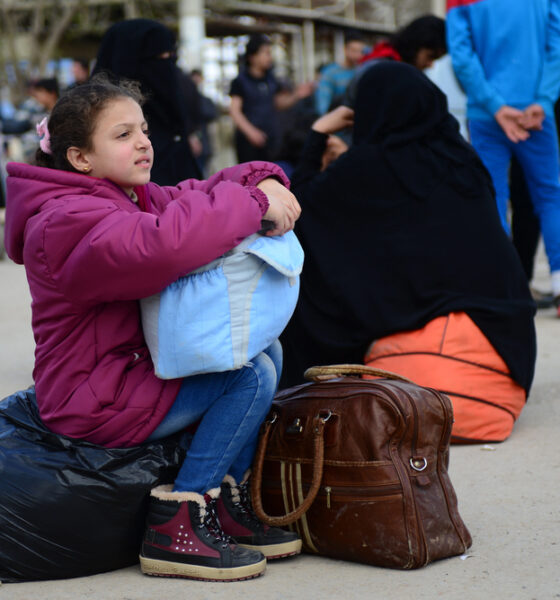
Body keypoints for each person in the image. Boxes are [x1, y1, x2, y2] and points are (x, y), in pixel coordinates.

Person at [4, 75, 302, 581]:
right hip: (92, 399)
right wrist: (253, 204)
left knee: (266, 350)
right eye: (122, 135)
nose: (143, 141)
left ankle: (224, 502)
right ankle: (178, 523)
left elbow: (194, 193)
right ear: (80, 158)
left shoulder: (122, 196)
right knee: (246, 375)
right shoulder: (66, 221)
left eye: (142, 129)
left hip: (123, 377)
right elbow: (164, 245)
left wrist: (262, 178)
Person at [280, 62, 536, 442]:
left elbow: (296, 213)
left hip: (422, 360)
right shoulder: (463, 161)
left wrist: (317, 134)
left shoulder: (365, 168)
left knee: (302, 273)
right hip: (508, 346)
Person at [447, 0, 560, 316]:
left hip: (487, 114)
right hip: (536, 113)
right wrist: (544, 99)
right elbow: (556, 46)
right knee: (550, 196)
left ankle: (500, 288)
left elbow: (462, 55)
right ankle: (559, 282)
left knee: (492, 196)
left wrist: (494, 105)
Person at [93, 18, 202, 185]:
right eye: (158, 57)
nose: (167, 64)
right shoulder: (98, 110)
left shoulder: (171, 99)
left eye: (171, 56)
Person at [229, 34, 314, 163]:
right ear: (253, 57)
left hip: (271, 139)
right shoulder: (240, 81)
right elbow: (235, 111)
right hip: (248, 143)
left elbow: (278, 103)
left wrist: (297, 95)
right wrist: (251, 132)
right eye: (266, 53)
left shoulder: (271, 79)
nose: (270, 57)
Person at [344, 14, 446, 109]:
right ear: (415, 46)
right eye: (430, 57)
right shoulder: (381, 71)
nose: (431, 64)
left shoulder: (395, 69)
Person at [314, 33, 365, 116]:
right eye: (354, 51)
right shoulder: (330, 72)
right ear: (345, 49)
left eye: (361, 51)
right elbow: (323, 102)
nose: (358, 55)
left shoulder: (361, 71)